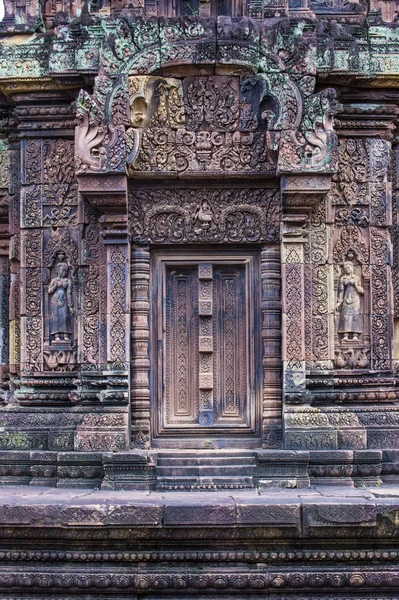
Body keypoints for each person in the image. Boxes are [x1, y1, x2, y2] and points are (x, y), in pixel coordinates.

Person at [336, 260, 364, 341]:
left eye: (348, 268)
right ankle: (345, 335)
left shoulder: (356, 278)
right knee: (345, 316)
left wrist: (356, 285)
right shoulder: (342, 278)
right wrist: (339, 302)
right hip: (346, 299)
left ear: (352, 268)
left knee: (355, 316)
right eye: (345, 268)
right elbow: (341, 291)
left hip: (355, 299)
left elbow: (362, 291)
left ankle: (355, 335)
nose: (347, 269)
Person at [49, 262, 73, 342]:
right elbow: (49, 291)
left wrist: (70, 306)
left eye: (66, 271)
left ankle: (66, 334)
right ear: (58, 270)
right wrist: (55, 286)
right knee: (56, 317)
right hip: (55, 300)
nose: (64, 273)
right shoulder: (54, 280)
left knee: (65, 317)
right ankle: (56, 335)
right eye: (63, 271)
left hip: (64, 300)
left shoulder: (68, 281)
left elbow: (69, 293)